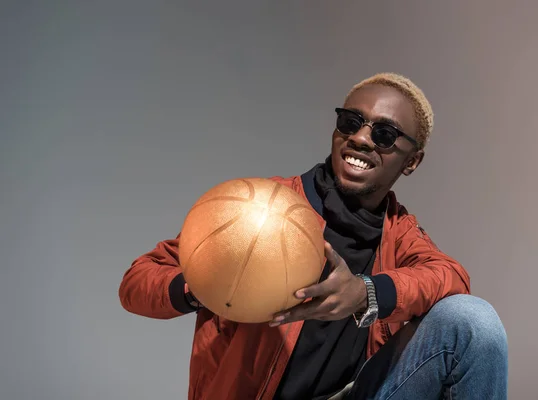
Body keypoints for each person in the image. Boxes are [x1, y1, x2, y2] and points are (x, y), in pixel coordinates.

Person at [119, 72, 508, 400]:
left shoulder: (398, 232)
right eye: (351, 122)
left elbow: (451, 277)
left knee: (473, 319)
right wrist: (203, 283)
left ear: (412, 161)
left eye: (385, 134)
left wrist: (364, 294)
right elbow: (137, 280)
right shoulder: (264, 207)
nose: (361, 138)